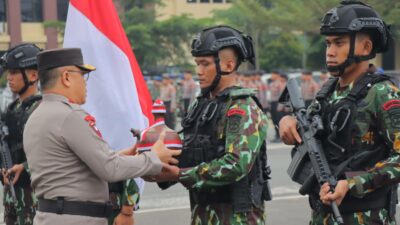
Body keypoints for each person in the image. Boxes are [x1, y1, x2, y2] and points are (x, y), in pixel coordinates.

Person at [23, 48, 180, 225]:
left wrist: (121, 156)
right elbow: (110, 169)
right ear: (66, 77)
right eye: (82, 75)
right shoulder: (70, 115)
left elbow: (68, 167)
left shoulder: (36, 115)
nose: (85, 82)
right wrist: (154, 158)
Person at [279, 1, 398, 224]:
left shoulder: (382, 94)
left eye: (339, 43)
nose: (330, 52)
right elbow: (308, 126)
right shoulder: (328, 91)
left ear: (365, 48)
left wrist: (352, 184)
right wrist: (289, 122)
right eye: (328, 44)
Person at [151, 25, 270, 225]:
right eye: (197, 63)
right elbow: (190, 150)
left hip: (236, 218)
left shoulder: (241, 107)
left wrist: (181, 175)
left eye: (205, 64)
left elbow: (235, 164)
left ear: (228, 65)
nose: (199, 71)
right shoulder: (201, 106)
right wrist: (157, 158)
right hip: (202, 215)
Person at [0, 43, 42, 225]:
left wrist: (24, 166)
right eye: (8, 72)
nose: (9, 78)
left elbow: (51, 153)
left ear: (33, 75)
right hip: (12, 194)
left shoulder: (43, 109)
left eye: (15, 72)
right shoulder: (11, 110)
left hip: (36, 197)